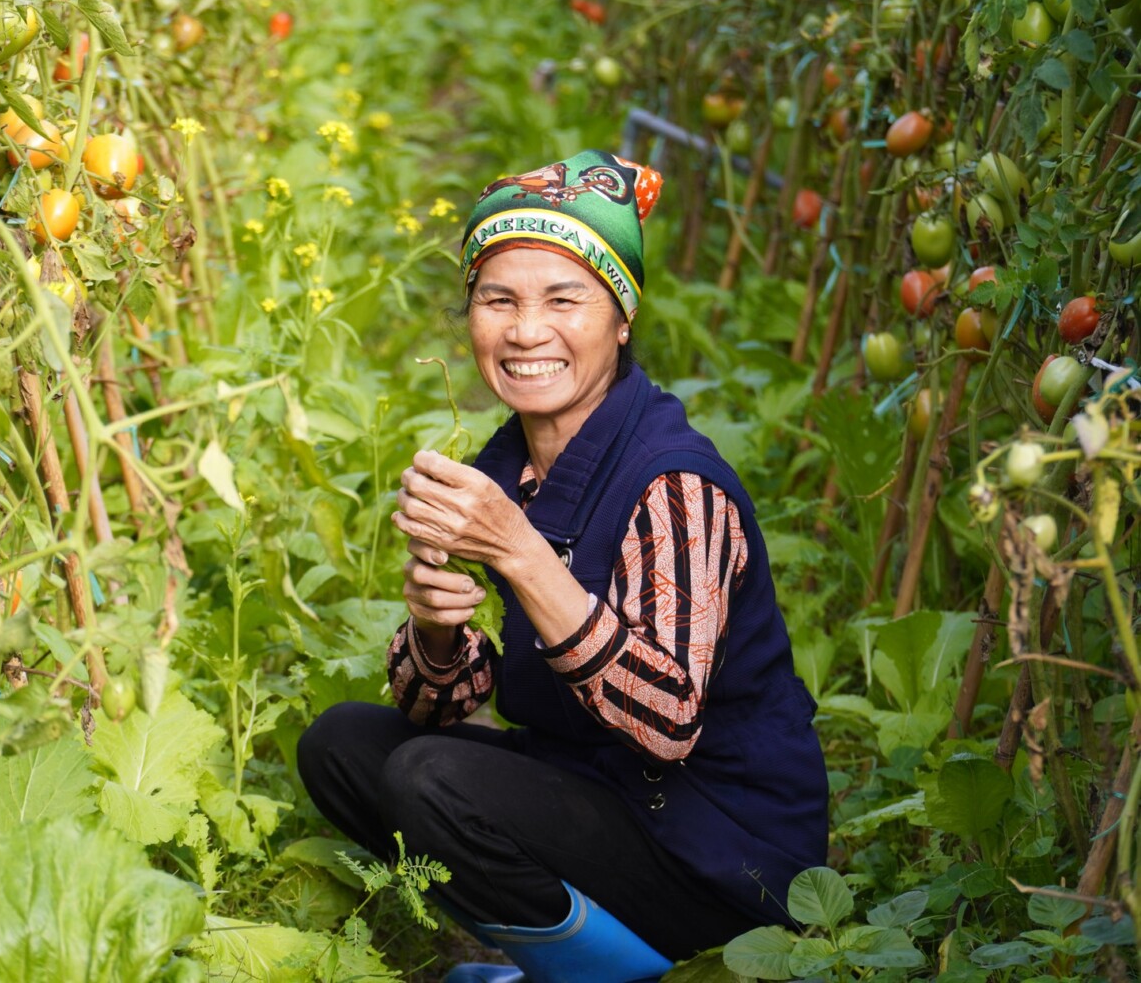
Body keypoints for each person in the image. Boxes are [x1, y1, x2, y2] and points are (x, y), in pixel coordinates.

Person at [296, 150, 828, 983]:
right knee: (343, 746)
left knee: (432, 779)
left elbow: (667, 722)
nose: (525, 330)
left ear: (621, 320)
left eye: (564, 299)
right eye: (497, 299)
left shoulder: (676, 482)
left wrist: (517, 547)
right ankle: (564, 952)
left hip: (717, 853)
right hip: (594, 785)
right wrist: (438, 632)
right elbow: (442, 706)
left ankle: (632, 974)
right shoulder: (508, 463)